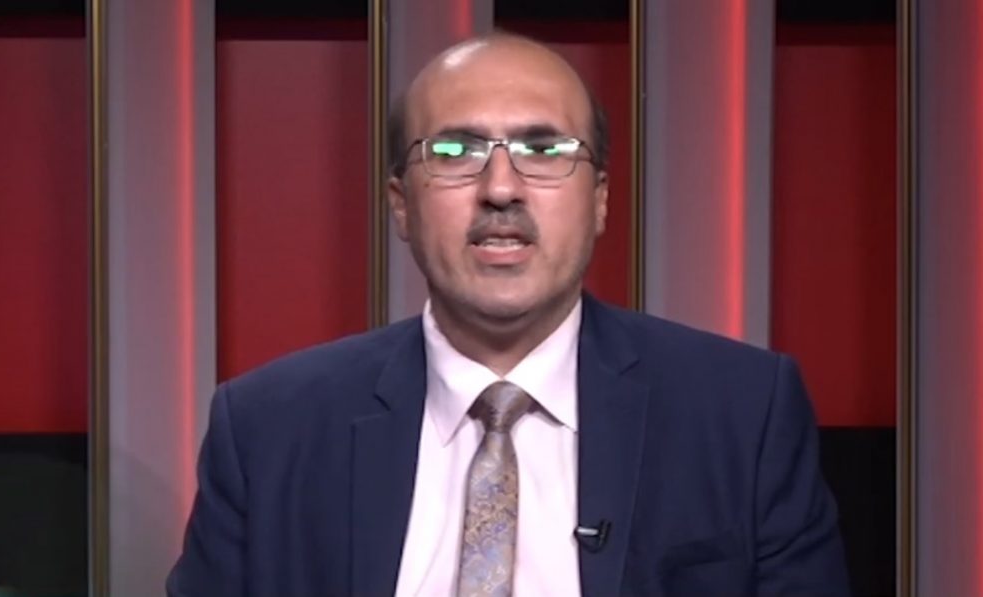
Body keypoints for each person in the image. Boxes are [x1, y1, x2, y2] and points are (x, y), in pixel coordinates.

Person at [167, 33, 850, 596]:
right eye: (455, 152)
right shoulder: (266, 430)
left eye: (545, 151)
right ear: (401, 204)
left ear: (600, 200)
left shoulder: (743, 413)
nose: (500, 188)